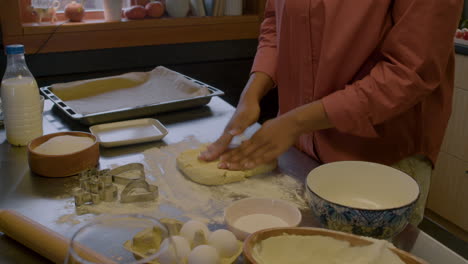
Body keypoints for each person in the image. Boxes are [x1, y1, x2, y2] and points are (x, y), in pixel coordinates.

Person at [199, 0, 463, 226]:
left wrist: (296, 122)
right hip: (300, 147)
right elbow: (275, 24)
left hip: (380, 156)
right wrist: (253, 91)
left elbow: (410, 72)